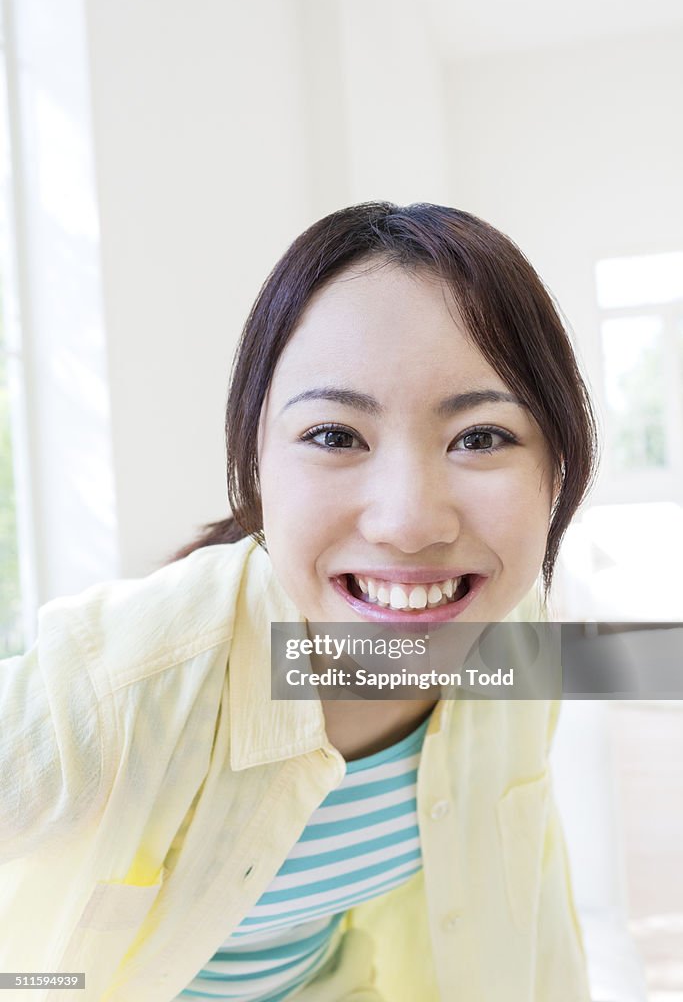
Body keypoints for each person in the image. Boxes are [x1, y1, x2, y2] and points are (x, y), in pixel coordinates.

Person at [0, 202, 598, 1001]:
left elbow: (525, 918)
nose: (409, 522)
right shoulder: (127, 681)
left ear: (556, 466)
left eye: (481, 437)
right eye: (334, 435)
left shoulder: (509, 633)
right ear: (256, 461)